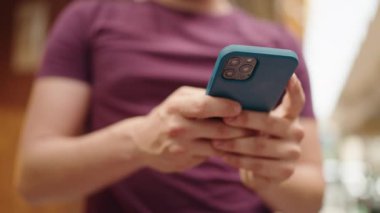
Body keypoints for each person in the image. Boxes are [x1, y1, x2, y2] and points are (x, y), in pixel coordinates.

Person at [15, 0, 325, 212]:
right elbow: (32, 179)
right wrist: (138, 141)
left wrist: (267, 174)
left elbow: (311, 200)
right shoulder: (88, 18)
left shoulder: (280, 42)